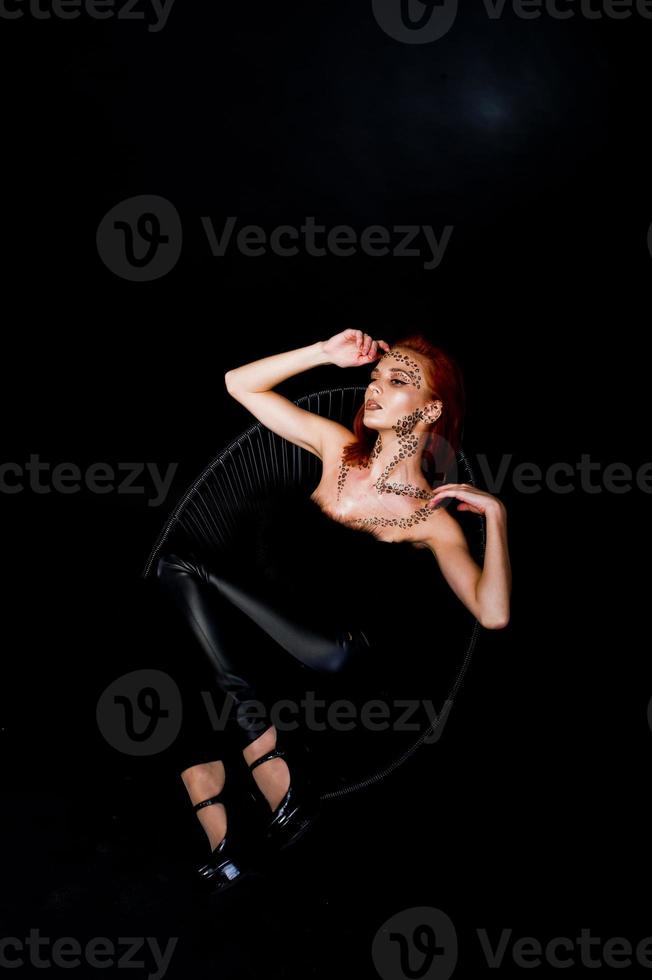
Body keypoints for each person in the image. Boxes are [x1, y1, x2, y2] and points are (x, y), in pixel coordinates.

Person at [155, 329, 512, 894]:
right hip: (267, 644)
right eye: (373, 378)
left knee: (183, 571)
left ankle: (243, 769)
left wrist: (495, 517)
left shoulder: (433, 519)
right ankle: (245, 807)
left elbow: (492, 615)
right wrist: (324, 354)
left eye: (397, 381)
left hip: (335, 658)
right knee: (185, 602)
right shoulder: (335, 449)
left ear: (431, 408)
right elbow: (237, 383)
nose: (373, 388)